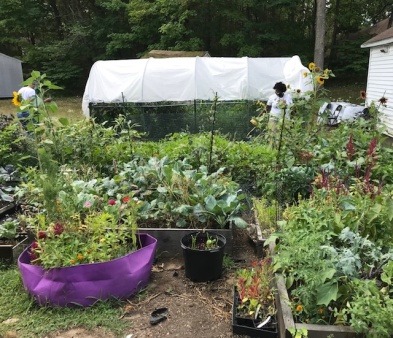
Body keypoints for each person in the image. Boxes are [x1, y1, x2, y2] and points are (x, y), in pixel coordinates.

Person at [266, 81, 293, 147]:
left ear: (283, 90)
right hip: (274, 119)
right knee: (272, 134)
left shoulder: (288, 97)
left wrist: (292, 118)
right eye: (276, 90)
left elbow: (292, 107)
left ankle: (283, 149)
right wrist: (266, 115)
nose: (277, 92)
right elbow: (267, 107)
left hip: (285, 119)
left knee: (285, 135)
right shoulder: (272, 97)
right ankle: (272, 148)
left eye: (279, 90)